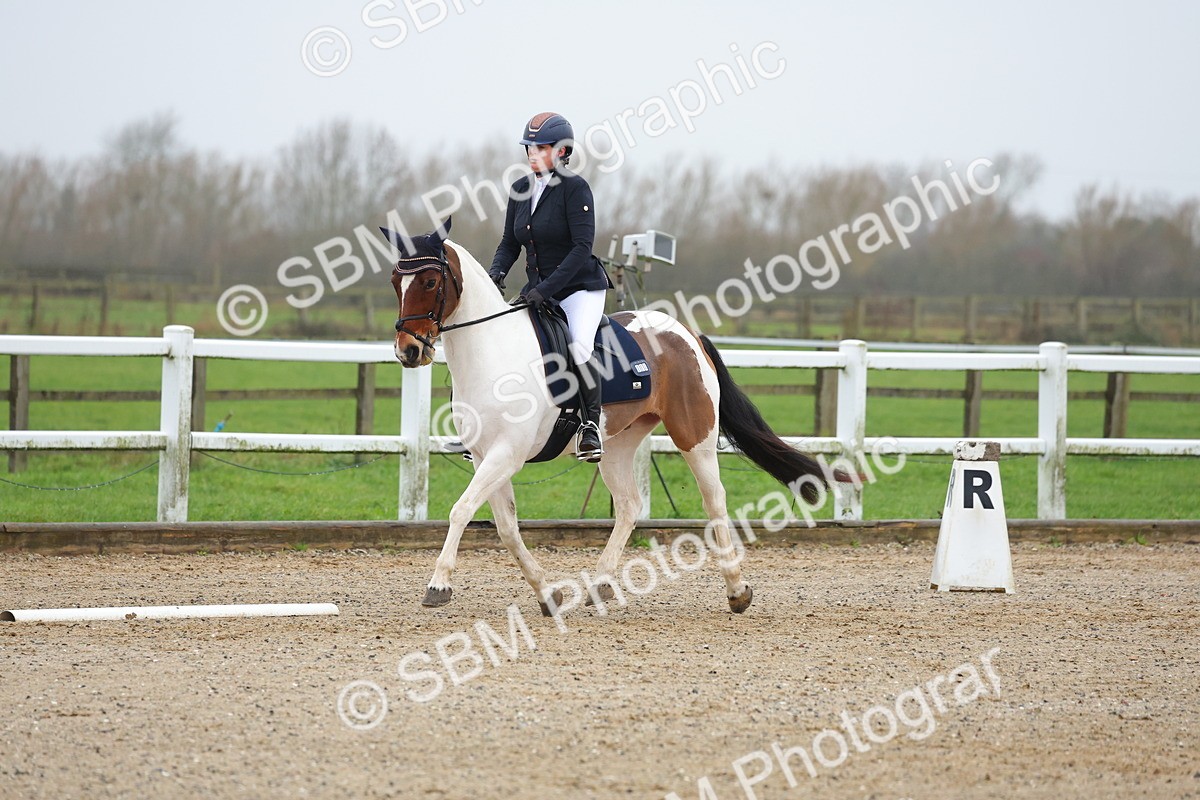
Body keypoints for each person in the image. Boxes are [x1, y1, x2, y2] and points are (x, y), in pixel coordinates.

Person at [489, 112, 611, 462]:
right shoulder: (520, 189)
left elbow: (581, 248)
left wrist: (546, 289)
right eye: (530, 147)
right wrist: (495, 274)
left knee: (580, 346)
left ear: (562, 151)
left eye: (541, 147)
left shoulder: (575, 188)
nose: (533, 153)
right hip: (538, 290)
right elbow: (509, 243)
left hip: (579, 289)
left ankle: (590, 426)